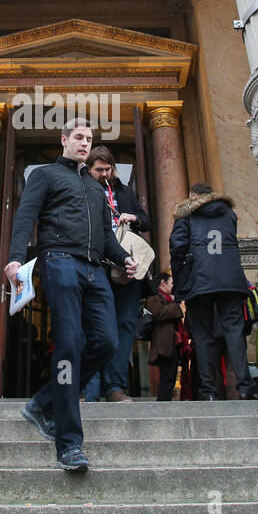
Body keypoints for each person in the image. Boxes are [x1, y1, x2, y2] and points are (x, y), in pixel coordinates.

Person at [5, 118, 137, 472]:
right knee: (68, 342)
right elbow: (25, 216)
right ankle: (69, 444)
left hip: (95, 268)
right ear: (64, 139)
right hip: (59, 261)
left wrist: (125, 259)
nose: (84, 143)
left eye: (89, 139)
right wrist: (16, 258)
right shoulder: (45, 175)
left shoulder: (95, 187)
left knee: (107, 342)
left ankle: (43, 402)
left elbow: (108, 236)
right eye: (78, 137)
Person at [170, 183, 258, 400]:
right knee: (234, 334)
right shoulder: (229, 214)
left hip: (200, 281)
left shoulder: (186, 215)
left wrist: (180, 286)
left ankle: (207, 390)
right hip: (230, 280)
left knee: (203, 336)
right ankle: (245, 387)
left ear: (192, 196)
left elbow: (177, 248)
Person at [82, 145, 151, 402]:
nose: (104, 173)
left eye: (108, 169)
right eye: (99, 169)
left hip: (126, 268)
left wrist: (132, 217)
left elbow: (146, 221)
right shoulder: (83, 190)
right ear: (88, 169)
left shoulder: (122, 190)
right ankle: (88, 388)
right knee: (94, 326)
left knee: (124, 325)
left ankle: (114, 386)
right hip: (96, 264)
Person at [144, 271, 184, 401]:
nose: (173, 286)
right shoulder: (154, 298)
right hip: (163, 345)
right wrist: (175, 304)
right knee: (166, 378)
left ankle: (166, 403)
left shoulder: (168, 299)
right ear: (163, 282)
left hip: (173, 343)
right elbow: (159, 314)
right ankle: (162, 404)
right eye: (171, 282)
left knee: (171, 377)